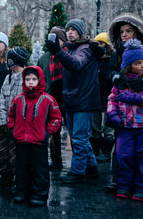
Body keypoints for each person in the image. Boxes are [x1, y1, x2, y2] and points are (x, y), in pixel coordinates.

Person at [47, 19, 104, 184]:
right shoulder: (70, 48)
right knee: (79, 137)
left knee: (79, 139)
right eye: (68, 30)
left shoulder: (85, 48)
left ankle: (77, 172)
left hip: (83, 100)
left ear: (80, 32)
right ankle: (92, 168)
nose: (70, 32)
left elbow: (76, 64)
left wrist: (58, 51)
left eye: (73, 29)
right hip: (72, 99)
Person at [7, 66, 62, 206]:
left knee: (40, 169)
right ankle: (22, 191)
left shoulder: (48, 100)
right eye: (27, 79)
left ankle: (39, 194)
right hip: (21, 140)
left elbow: (56, 118)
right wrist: (13, 130)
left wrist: (47, 132)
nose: (31, 82)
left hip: (39, 141)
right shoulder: (18, 99)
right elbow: (11, 116)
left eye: (34, 79)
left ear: (40, 80)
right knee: (22, 168)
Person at [107, 39, 143, 202]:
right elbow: (112, 100)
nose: (142, 66)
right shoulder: (121, 83)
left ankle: (140, 187)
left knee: (141, 157)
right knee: (124, 155)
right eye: (138, 63)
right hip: (124, 126)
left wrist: (132, 97)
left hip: (141, 126)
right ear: (129, 65)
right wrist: (113, 115)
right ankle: (124, 185)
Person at [0, 47, 30, 192]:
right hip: (6, 125)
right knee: (1, 150)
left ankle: (19, 179)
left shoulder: (26, 78)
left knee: (16, 153)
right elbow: (2, 100)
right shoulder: (8, 78)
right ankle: (4, 176)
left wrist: (19, 124)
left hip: (20, 126)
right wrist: (2, 122)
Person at [37, 27, 67, 170]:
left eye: (59, 39)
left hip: (67, 98)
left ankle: (85, 163)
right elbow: (39, 78)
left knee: (74, 132)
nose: (55, 42)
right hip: (50, 99)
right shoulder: (43, 58)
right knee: (53, 132)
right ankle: (56, 159)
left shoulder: (67, 54)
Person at [92, 32, 115, 163]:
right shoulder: (95, 59)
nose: (100, 46)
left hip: (108, 96)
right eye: (98, 44)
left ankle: (106, 152)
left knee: (108, 126)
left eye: (102, 43)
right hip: (96, 96)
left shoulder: (111, 59)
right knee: (95, 125)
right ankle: (96, 150)